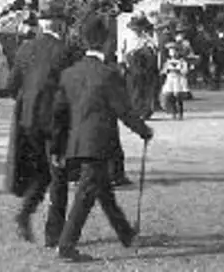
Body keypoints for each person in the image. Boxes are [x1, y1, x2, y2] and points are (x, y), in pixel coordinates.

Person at [50, 13, 153, 262]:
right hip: (99, 143)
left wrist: (56, 148)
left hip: (76, 143)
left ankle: (126, 234)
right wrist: (143, 130)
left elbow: (58, 115)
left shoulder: (69, 74)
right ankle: (66, 245)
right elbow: (124, 110)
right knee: (86, 193)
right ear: (105, 41)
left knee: (104, 191)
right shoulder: (108, 74)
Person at [6, 0, 77, 249]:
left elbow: (12, 85)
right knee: (58, 175)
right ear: (59, 24)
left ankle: (25, 213)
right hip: (54, 123)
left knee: (43, 173)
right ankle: (54, 234)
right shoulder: (65, 52)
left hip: (28, 122)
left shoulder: (25, 48)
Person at [123, 17, 159, 121]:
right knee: (134, 88)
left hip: (145, 65)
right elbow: (124, 52)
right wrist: (124, 62)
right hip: (133, 65)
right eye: (135, 28)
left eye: (139, 28)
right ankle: (136, 111)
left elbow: (154, 49)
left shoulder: (146, 38)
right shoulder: (128, 38)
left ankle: (145, 111)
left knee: (146, 88)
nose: (137, 30)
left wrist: (147, 48)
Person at [161, 46, 190, 121]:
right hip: (170, 80)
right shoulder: (168, 61)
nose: (172, 53)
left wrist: (179, 70)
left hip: (178, 79)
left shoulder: (182, 61)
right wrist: (166, 71)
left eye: (174, 51)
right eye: (171, 52)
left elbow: (185, 71)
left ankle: (180, 114)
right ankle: (173, 113)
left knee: (178, 97)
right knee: (170, 96)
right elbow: (163, 71)